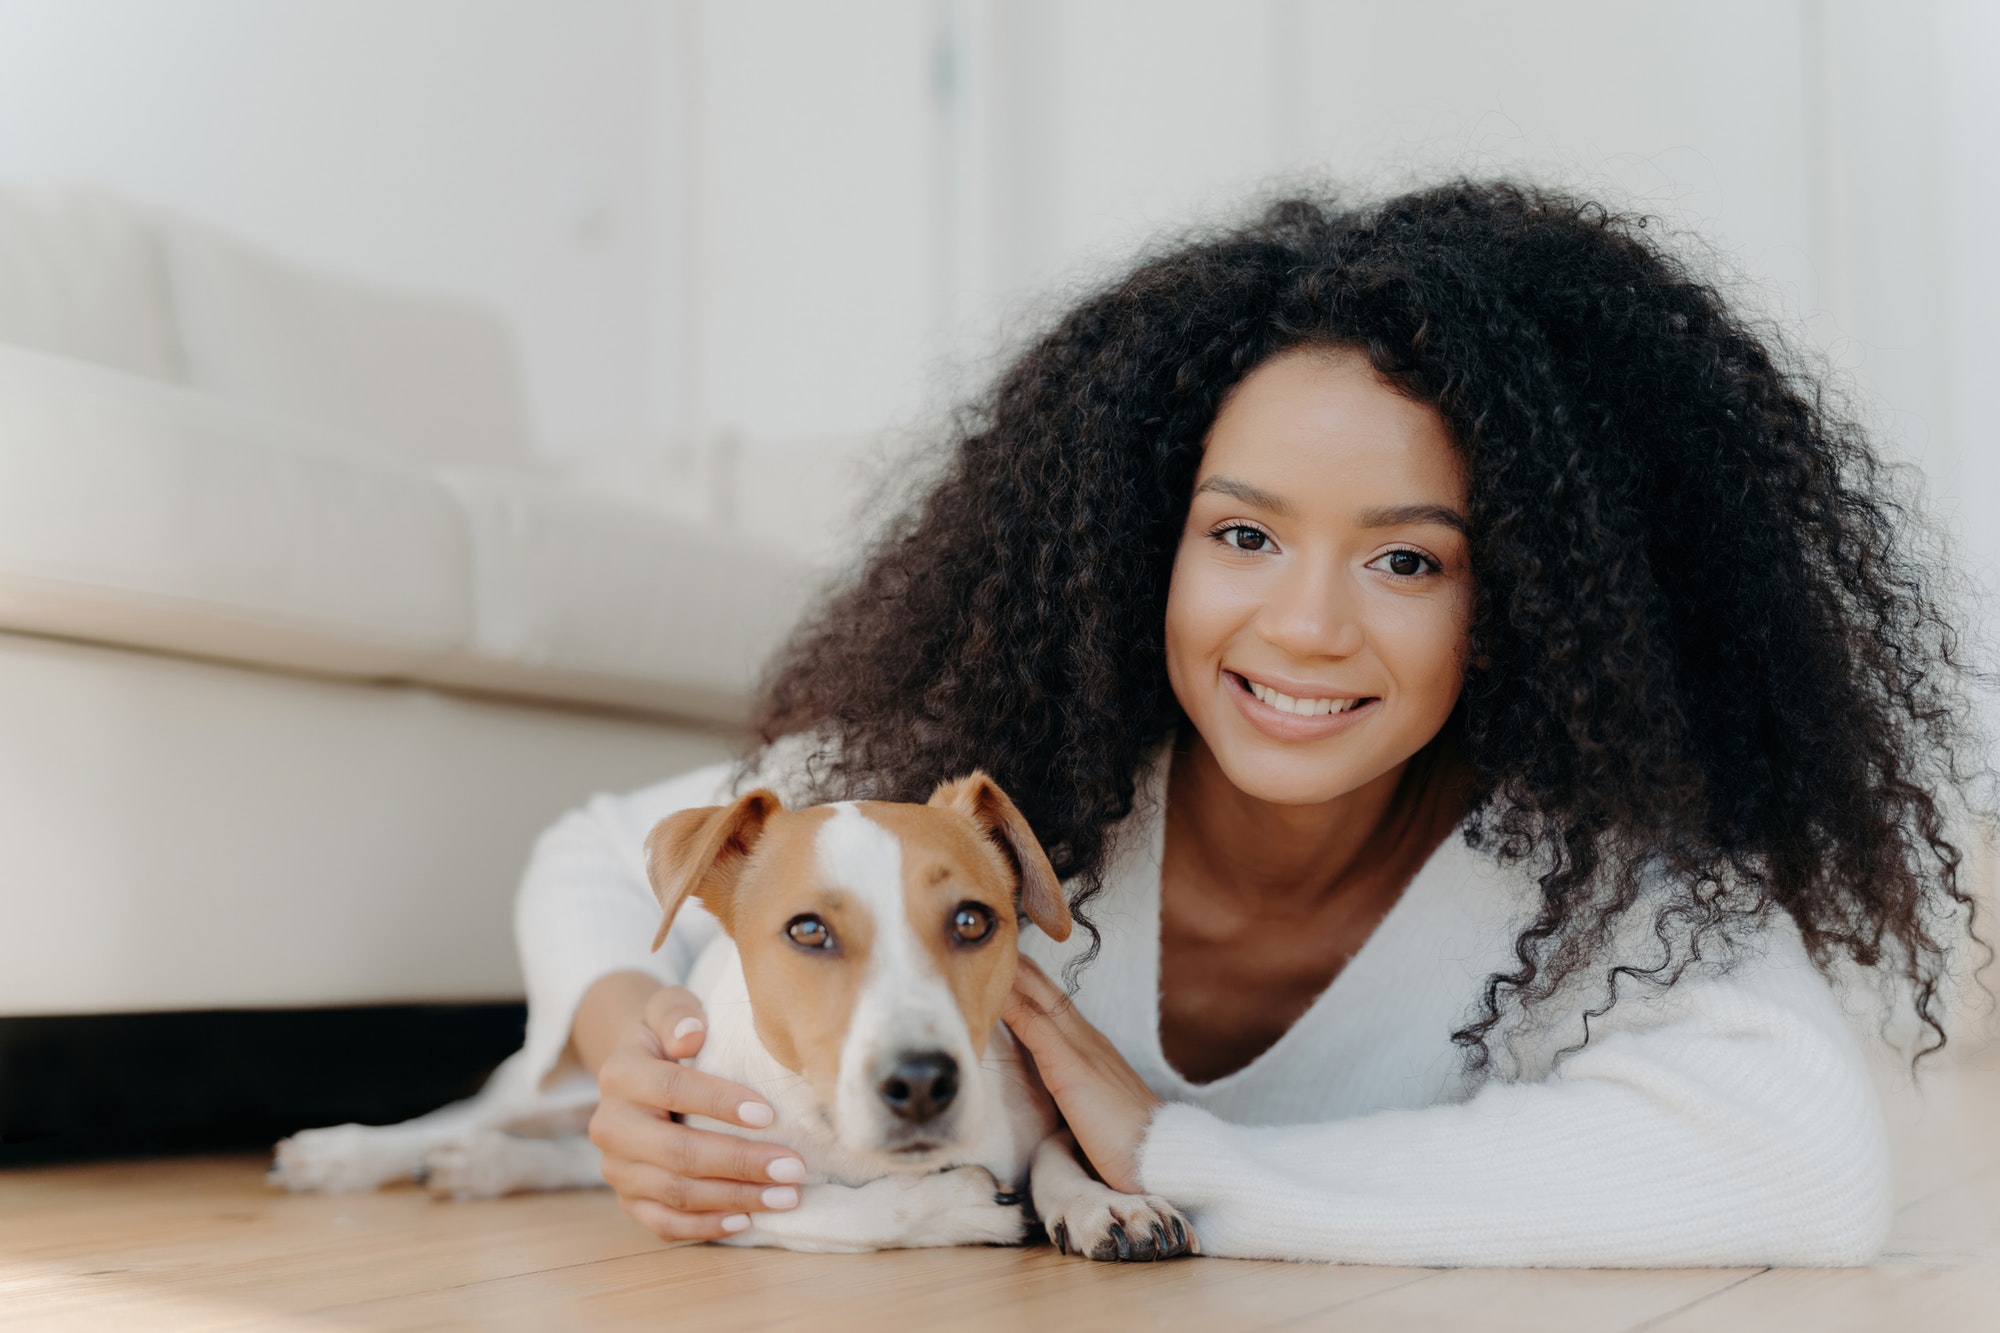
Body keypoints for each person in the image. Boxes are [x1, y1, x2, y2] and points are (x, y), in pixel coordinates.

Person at [527, 182, 1985, 1265]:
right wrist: (637, 1053)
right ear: (1137, 540)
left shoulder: (1585, 877)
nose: (1304, 626)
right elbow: (597, 856)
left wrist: (1184, 1155)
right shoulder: (997, 796)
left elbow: (1804, 1168)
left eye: (1408, 559)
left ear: (1536, 599)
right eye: (1242, 536)